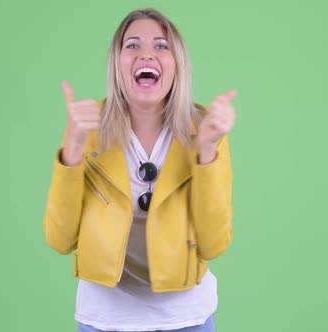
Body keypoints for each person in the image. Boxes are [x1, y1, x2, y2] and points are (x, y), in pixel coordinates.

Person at [43, 8, 236, 332]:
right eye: (132, 45)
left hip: (188, 319)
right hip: (104, 320)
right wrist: (72, 153)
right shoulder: (86, 129)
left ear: (178, 64)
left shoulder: (204, 129)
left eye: (161, 46)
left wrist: (205, 153)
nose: (146, 53)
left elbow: (213, 243)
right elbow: (60, 240)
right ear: (117, 63)